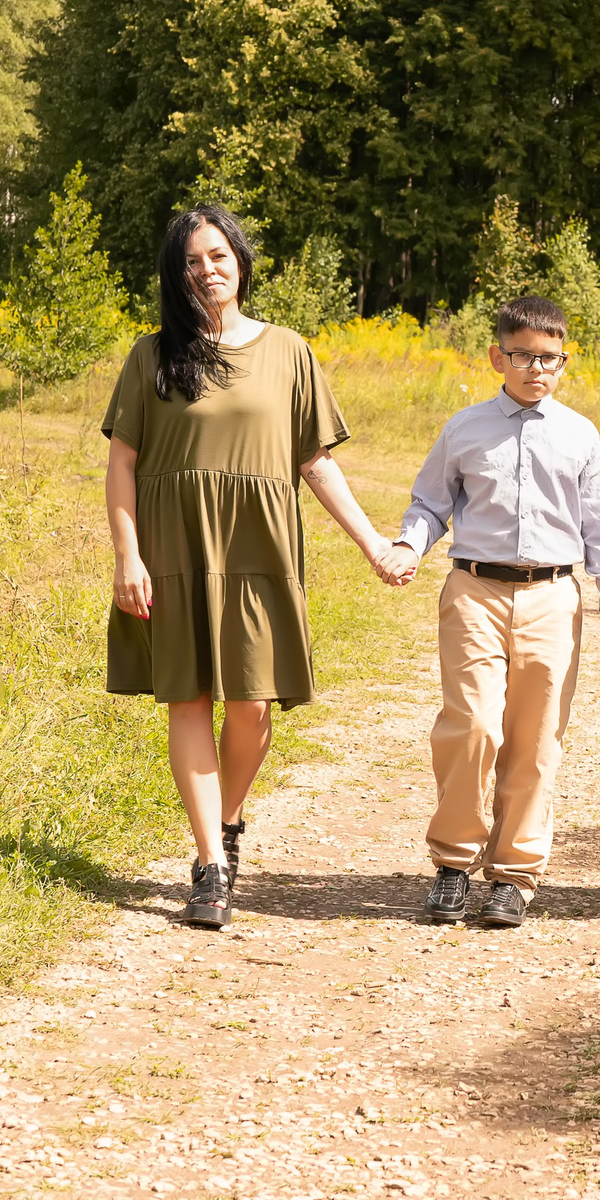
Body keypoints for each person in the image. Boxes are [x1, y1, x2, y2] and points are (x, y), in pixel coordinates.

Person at [104, 205, 401, 930]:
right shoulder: (152, 355)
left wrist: (374, 544)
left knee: (253, 704)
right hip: (174, 544)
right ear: (177, 276)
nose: (207, 270)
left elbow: (314, 462)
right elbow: (122, 462)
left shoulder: (289, 350)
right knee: (188, 698)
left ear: (240, 258)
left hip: (259, 548)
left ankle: (227, 822)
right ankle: (210, 865)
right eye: (192, 261)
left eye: (218, 254)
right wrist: (127, 556)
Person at [379, 296, 600, 930]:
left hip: (552, 597)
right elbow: (431, 504)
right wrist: (409, 544)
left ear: (564, 362)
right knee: (472, 726)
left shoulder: (581, 435)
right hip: (475, 593)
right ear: (498, 356)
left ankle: (514, 875)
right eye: (523, 356)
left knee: (537, 738)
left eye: (550, 359)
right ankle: (454, 864)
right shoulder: (464, 429)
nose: (536, 369)